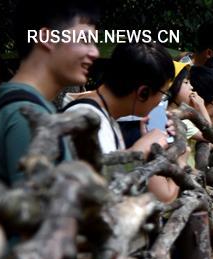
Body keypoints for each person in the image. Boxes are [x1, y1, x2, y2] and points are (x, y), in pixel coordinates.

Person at [0, 1, 100, 186]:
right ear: (47, 38)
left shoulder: (27, 107)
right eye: (85, 40)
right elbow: (36, 211)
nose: (95, 53)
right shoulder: (26, 115)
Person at [62, 42, 178, 202]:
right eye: (163, 93)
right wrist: (140, 149)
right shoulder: (86, 118)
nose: (161, 100)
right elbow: (98, 187)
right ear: (143, 92)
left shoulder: (104, 116)